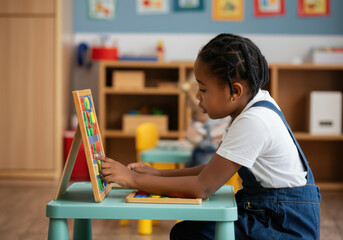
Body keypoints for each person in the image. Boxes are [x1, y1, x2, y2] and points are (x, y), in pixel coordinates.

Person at [96, 33, 321, 239]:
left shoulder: (254, 121)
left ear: (235, 91)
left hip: (283, 225)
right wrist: (160, 174)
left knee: (188, 233)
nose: (197, 96)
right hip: (270, 212)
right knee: (189, 230)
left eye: (203, 89)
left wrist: (131, 179)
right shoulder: (252, 108)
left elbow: (203, 187)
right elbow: (211, 169)